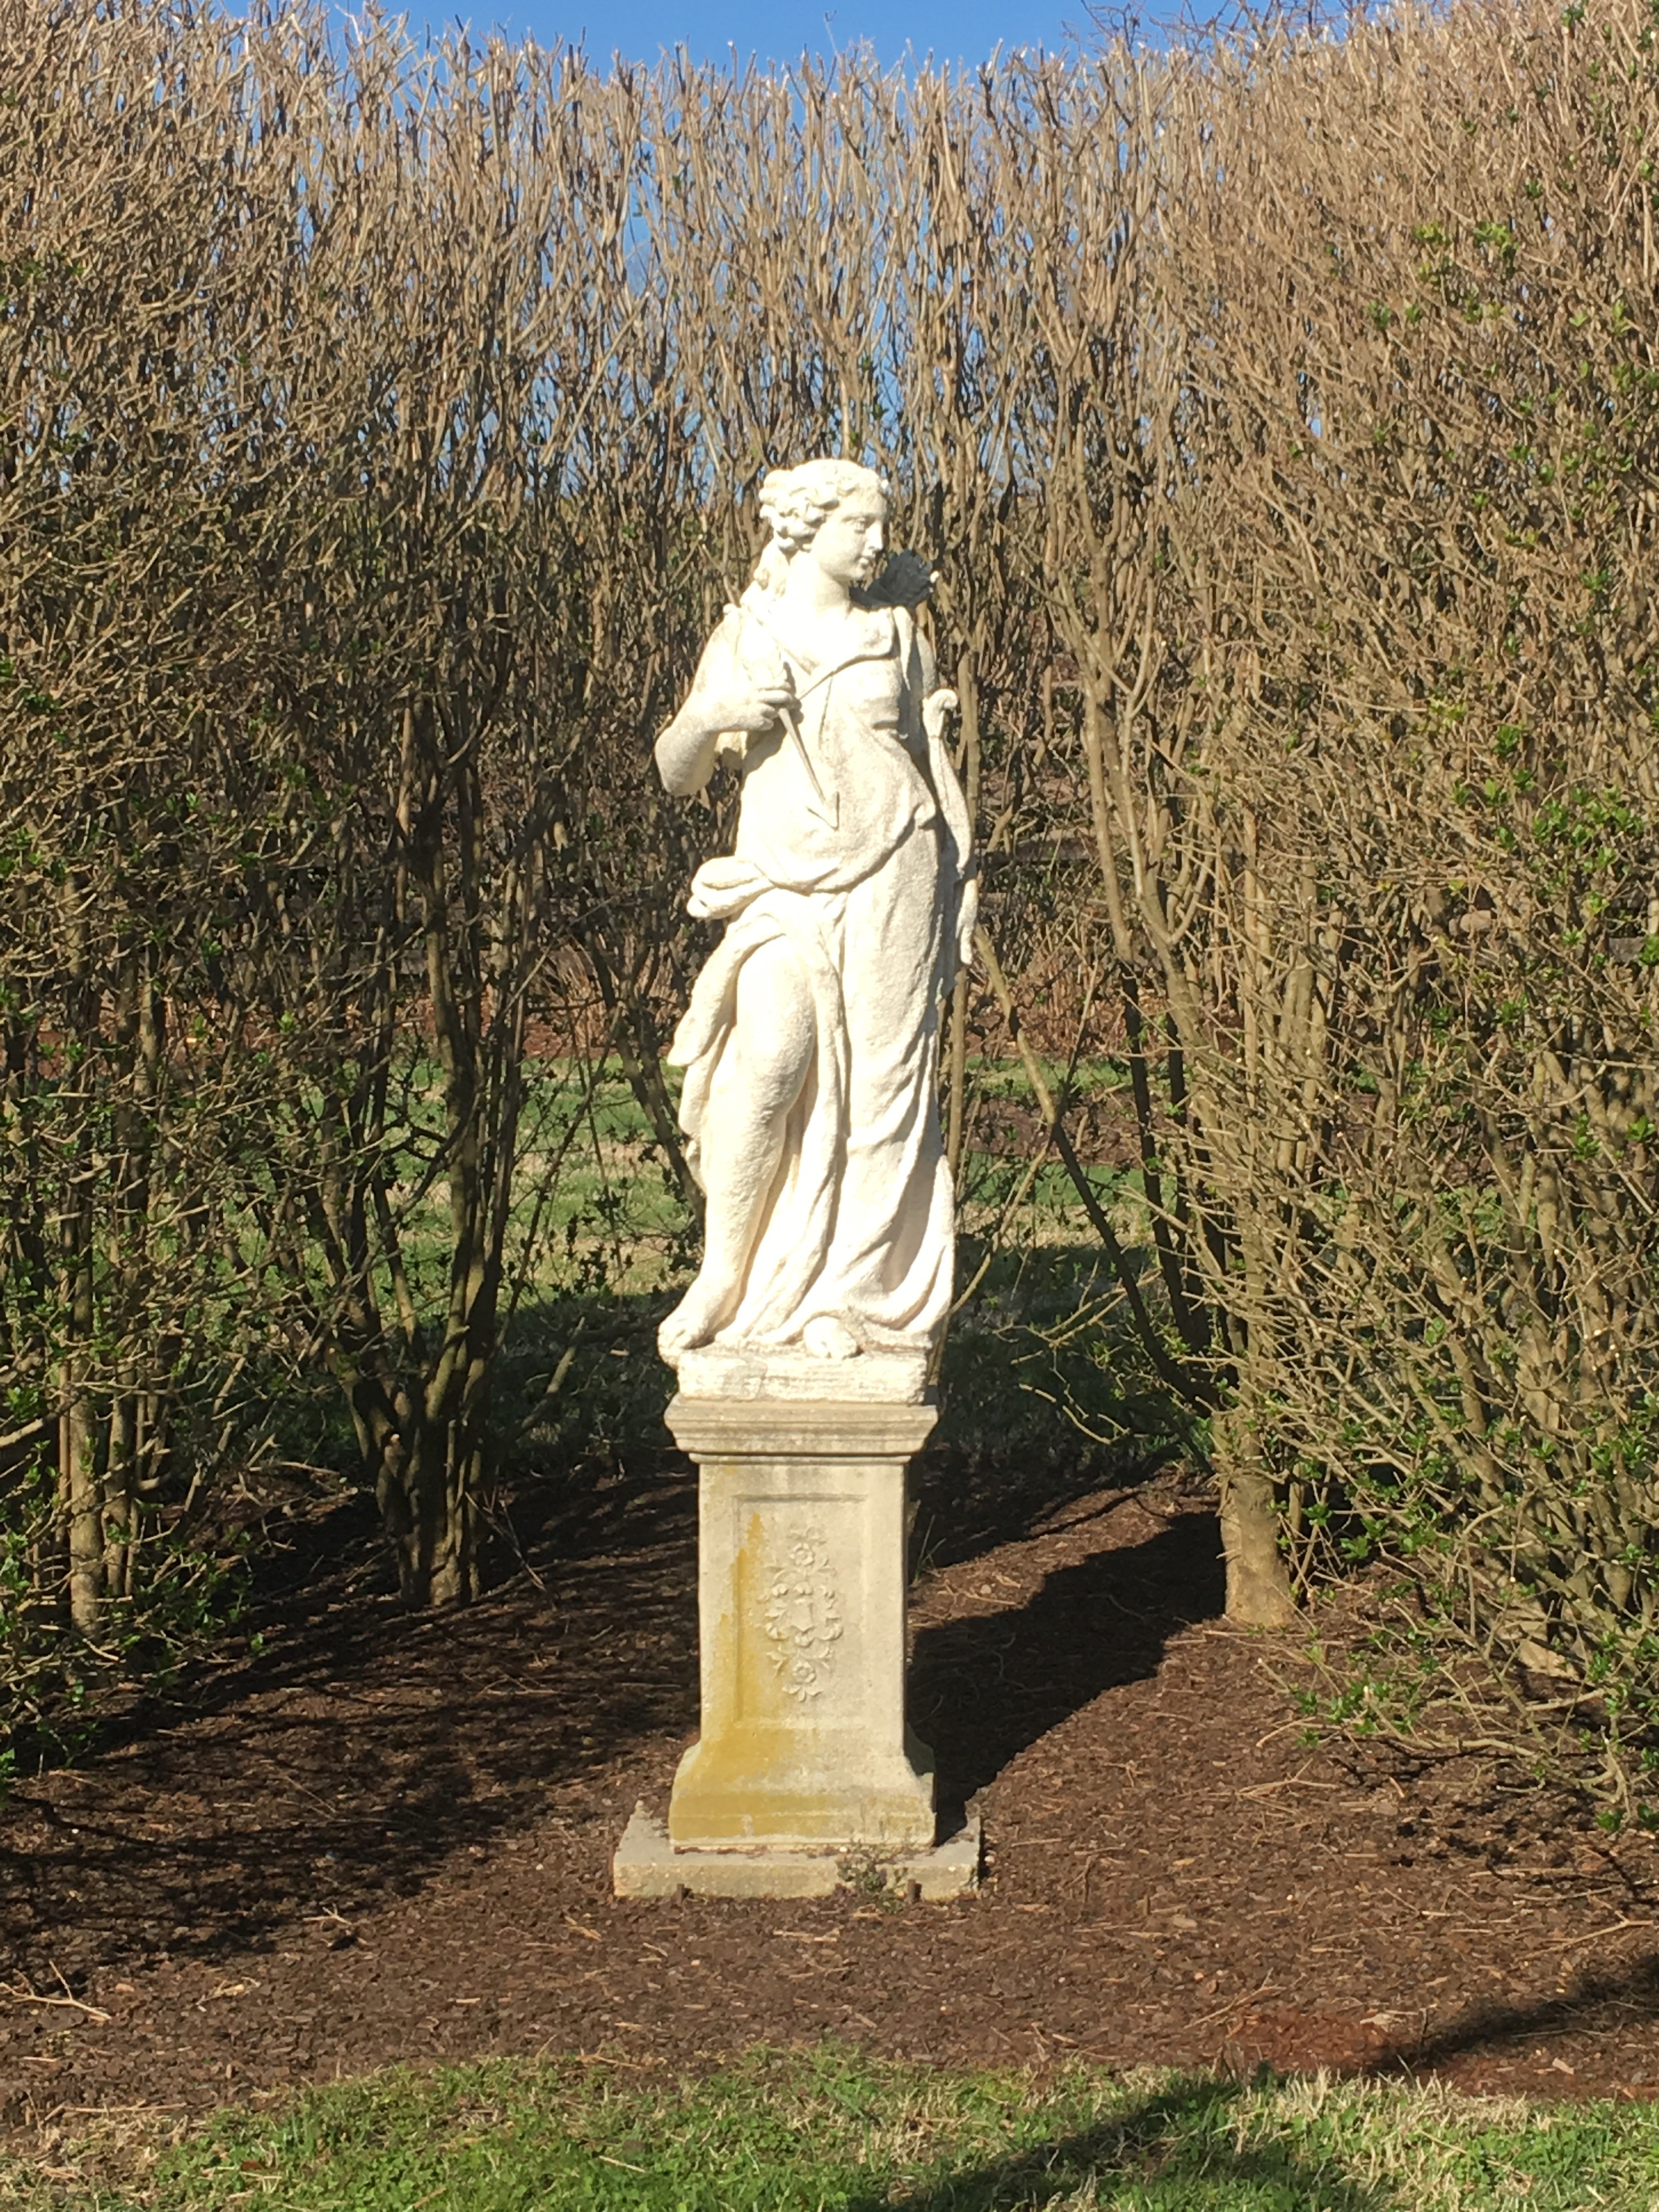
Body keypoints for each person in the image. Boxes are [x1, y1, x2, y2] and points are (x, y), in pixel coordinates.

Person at [654, 458, 976, 1362]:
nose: (878, 543)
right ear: (805, 529)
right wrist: (713, 713)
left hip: (896, 874)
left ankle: (850, 1296)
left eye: (883, 527)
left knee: (882, 1091)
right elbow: (677, 773)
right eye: (860, 526)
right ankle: (724, 1272)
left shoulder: (897, 635)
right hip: (782, 888)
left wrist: (960, 887)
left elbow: (932, 772)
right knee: (772, 1053)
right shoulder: (747, 636)